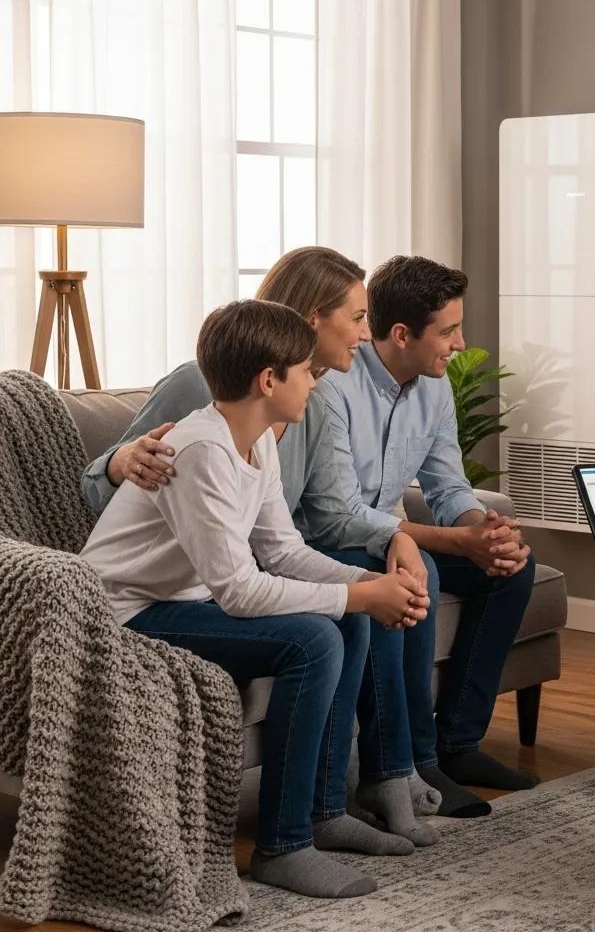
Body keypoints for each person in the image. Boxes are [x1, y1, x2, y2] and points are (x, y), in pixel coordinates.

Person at [80, 247, 442, 841]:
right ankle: (285, 841)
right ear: (270, 378)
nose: (317, 383)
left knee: (347, 623)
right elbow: (239, 589)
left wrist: (369, 584)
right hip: (128, 609)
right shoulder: (201, 440)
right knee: (314, 639)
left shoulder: (262, 438)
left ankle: (326, 811)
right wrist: (359, 596)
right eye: (306, 372)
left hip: (187, 596)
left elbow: (282, 549)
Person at [317, 255, 538, 799]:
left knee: (511, 570)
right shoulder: (333, 385)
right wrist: (456, 542)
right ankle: (414, 762)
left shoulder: (434, 388)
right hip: (330, 541)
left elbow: (448, 486)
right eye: (448, 331)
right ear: (401, 335)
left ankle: (458, 744)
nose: (460, 344)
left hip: (389, 537)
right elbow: (341, 512)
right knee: (422, 574)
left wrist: (483, 531)